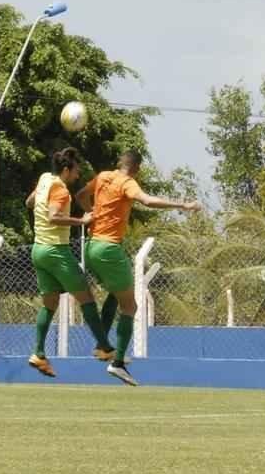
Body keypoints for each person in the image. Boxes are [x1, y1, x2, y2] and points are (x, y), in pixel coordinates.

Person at [76, 150, 200, 385]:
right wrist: (182, 204)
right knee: (130, 305)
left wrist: (91, 213)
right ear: (137, 168)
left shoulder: (103, 177)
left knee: (116, 293)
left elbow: (81, 194)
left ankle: (103, 348)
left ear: (119, 162)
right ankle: (118, 363)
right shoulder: (127, 183)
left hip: (91, 247)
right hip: (109, 249)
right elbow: (147, 200)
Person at [24, 148, 115, 378]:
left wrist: (44, 205)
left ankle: (38, 354)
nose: (77, 176)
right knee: (87, 297)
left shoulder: (45, 179)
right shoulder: (61, 190)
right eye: (76, 171)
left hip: (38, 249)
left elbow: (29, 202)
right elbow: (53, 216)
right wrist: (81, 220)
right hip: (56, 251)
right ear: (66, 169)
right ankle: (104, 347)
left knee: (50, 303)